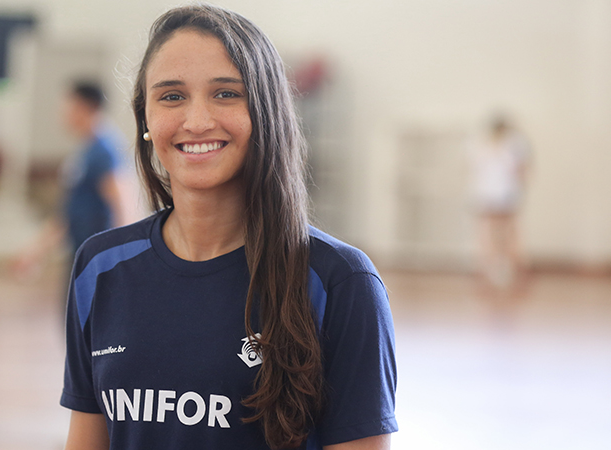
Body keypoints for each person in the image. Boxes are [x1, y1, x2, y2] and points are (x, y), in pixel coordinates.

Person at [60, 5, 397, 450]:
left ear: (265, 111)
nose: (197, 121)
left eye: (225, 94)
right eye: (172, 96)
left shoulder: (339, 281)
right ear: (145, 119)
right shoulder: (99, 268)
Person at [13, 81, 131, 278]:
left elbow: (122, 202)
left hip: (100, 259)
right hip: (83, 253)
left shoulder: (105, 150)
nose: (63, 114)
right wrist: (37, 251)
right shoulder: (86, 150)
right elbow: (70, 211)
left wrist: (126, 257)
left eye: (67, 107)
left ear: (84, 107)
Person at [469, 115, 531, 291]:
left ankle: (494, 274)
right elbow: (523, 171)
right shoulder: (512, 144)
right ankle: (500, 274)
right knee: (504, 236)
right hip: (500, 195)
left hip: (494, 195)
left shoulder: (487, 144)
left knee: (493, 235)